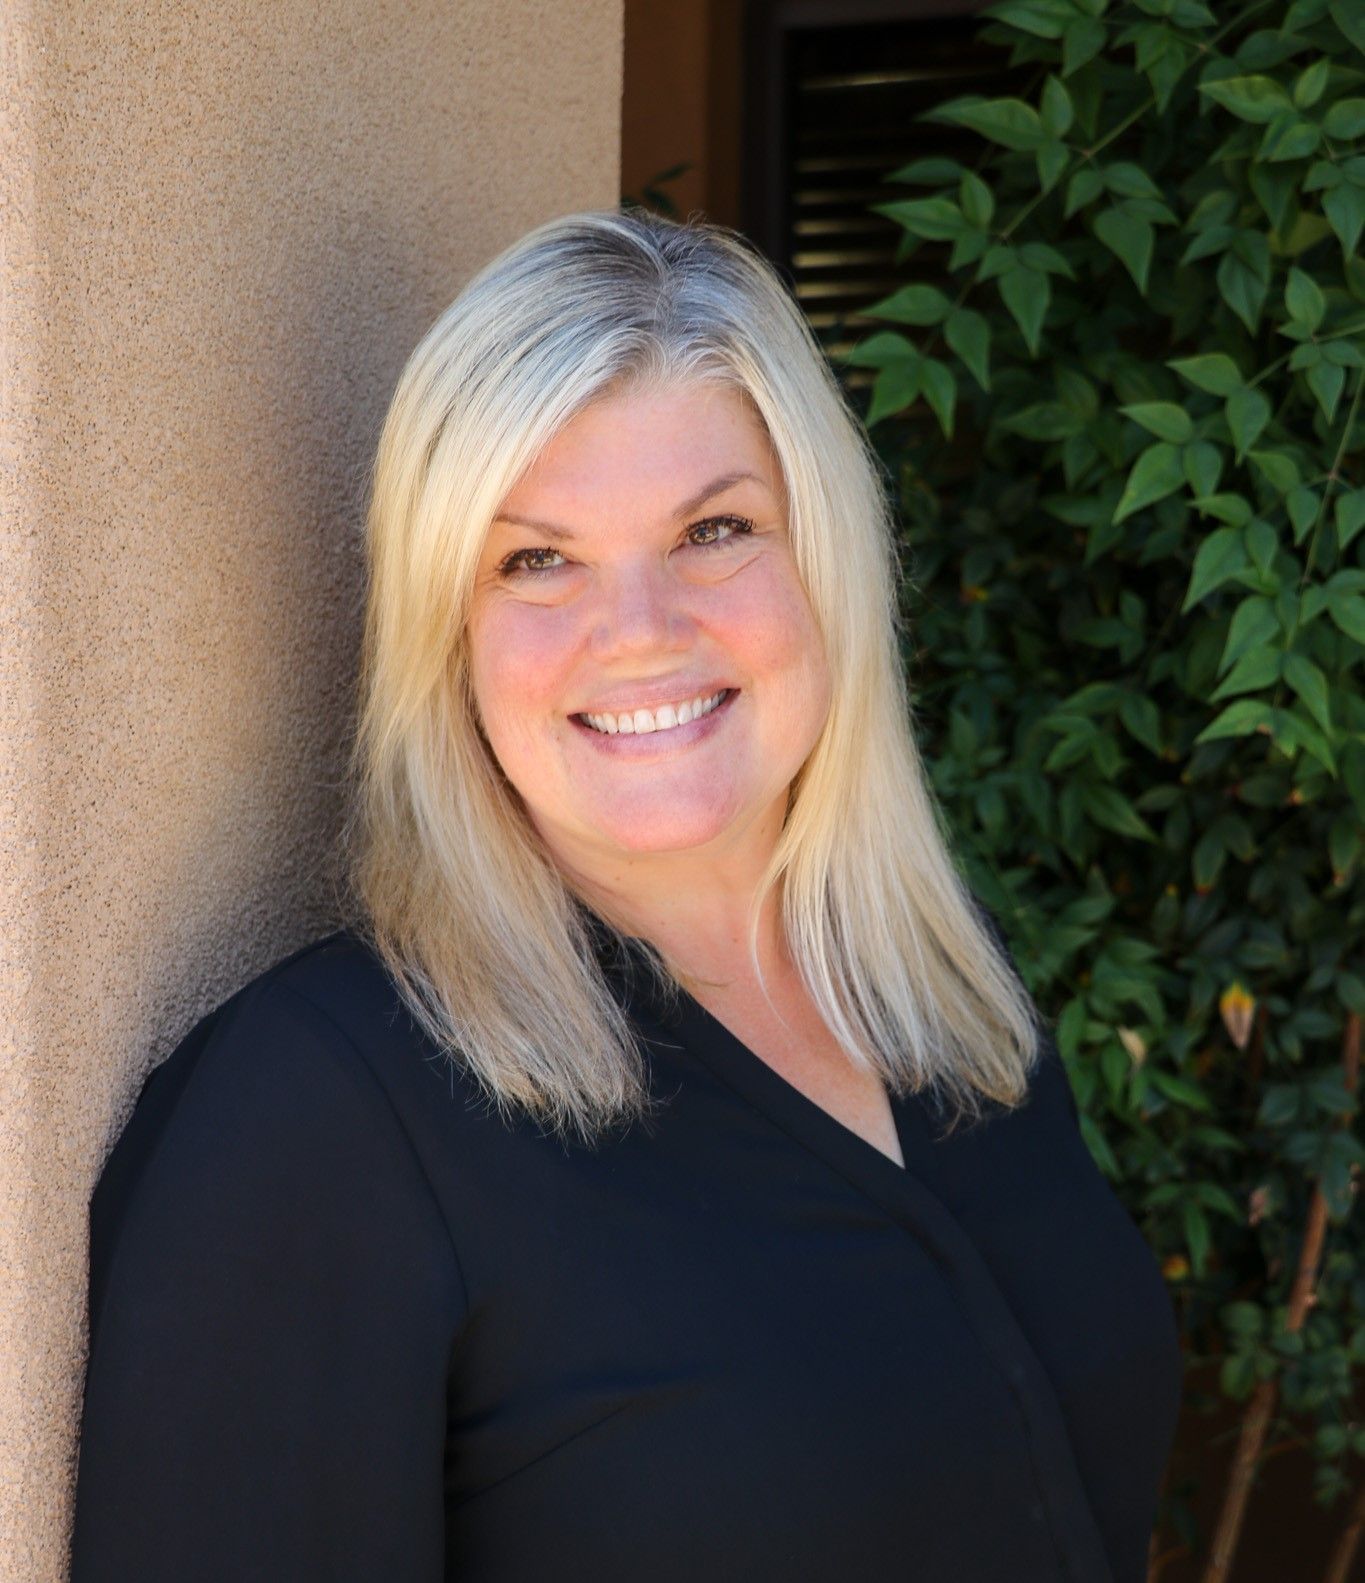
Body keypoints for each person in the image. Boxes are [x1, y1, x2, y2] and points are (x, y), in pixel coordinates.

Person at [68, 209, 1184, 1582]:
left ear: (821, 564)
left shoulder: (944, 1001)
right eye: (536, 559)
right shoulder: (322, 1117)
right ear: (447, 633)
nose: (641, 629)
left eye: (715, 529)